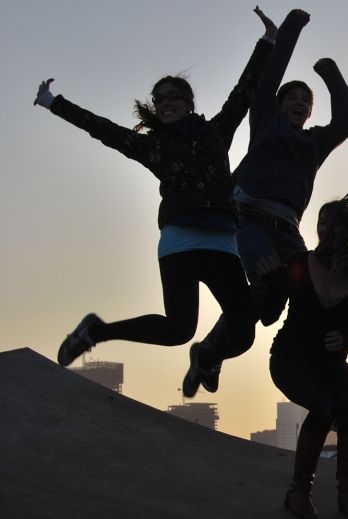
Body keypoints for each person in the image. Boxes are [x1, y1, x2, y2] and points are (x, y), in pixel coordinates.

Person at [36, 7, 282, 397]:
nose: (164, 103)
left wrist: (268, 40)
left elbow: (245, 90)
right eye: (159, 99)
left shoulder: (217, 131)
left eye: (172, 97)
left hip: (221, 242)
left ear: (188, 102)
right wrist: (53, 102)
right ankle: (94, 332)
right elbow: (102, 129)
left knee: (244, 330)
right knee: (177, 330)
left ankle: (207, 356)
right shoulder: (151, 146)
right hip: (180, 242)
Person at [196, 8, 348, 393]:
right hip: (250, 222)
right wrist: (291, 26)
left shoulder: (315, 143)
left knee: (303, 290)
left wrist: (330, 72)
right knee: (260, 286)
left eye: (307, 100)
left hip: (289, 233)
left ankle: (298, 357)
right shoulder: (265, 122)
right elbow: (271, 73)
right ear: (279, 104)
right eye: (293, 97)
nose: (300, 102)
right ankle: (211, 351)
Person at [261, 193, 348, 519]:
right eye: (321, 222)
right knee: (325, 406)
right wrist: (270, 281)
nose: (325, 229)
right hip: (289, 358)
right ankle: (299, 491)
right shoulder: (298, 262)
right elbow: (269, 315)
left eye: (334, 223)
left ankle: (347, 495)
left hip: (330, 363)